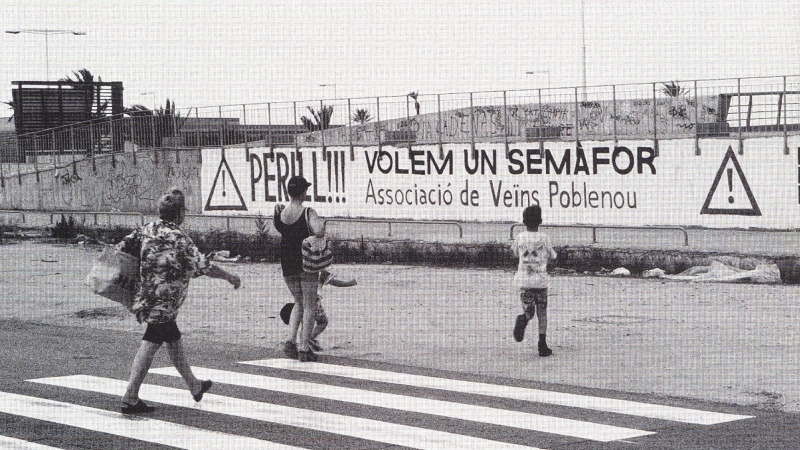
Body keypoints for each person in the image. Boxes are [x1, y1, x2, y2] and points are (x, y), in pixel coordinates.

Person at [117, 188, 241, 414]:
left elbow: (122, 248)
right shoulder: (179, 237)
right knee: (151, 342)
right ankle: (130, 396)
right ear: (179, 214)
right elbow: (204, 266)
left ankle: (194, 386)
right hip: (165, 302)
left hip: (148, 297)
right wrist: (230, 276)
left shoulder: (147, 229)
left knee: (173, 339)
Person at [273, 175, 325, 362]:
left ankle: (290, 341)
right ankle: (304, 348)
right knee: (310, 305)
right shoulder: (308, 212)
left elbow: (280, 227)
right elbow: (318, 231)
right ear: (303, 192)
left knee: (298, 302)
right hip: (306, 261)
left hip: (287, 262)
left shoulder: (281, 213)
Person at [511, 205, 558, 357]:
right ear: (540, 220)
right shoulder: (544, 238)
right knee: (542, 312)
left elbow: (513, 252)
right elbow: (553, 256)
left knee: (529, 310)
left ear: (524, 221)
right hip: (540, 281)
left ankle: (524, 318)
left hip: (524, 281)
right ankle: (542, 344)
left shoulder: (520, 237)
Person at [279, 269, 357, 351]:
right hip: (314, 302)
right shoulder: (322, 272)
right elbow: (335, 282)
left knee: (304, 322)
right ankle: (310, 338)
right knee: (323, 322)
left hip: (301, 300)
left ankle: (301, 342)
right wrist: (350, 283)